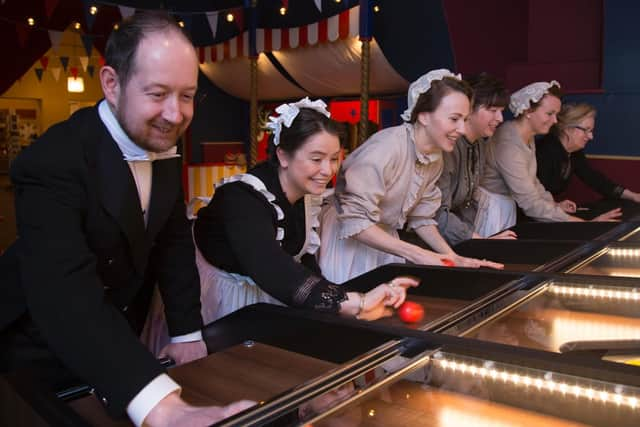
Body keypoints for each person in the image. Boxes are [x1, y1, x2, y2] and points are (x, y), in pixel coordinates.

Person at [0, 11, 253, 427]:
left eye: (187, 95)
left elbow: (172, 244)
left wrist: (186, 334)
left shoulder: (162, 143)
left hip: (119, 342)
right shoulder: (51, 162)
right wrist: (165, 408)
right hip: (36, 351)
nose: (175, 115)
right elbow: (66, 297)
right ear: (112, 84)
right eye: (157, 94)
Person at [160, 98, 416, 332]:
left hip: (267, 296)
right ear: (283, 155)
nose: (328, 170)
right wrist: (356, 302)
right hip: (222, 301)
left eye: (334, 159)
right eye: (316, 159)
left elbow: (303, 264)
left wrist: (349, 298)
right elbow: (272, 267)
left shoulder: (304, 197)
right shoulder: (241, 198)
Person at [318, 69, 503, 285]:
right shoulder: (387, 148)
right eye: (454, 119)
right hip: (349, 241)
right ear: (423, 115)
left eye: (464, 119)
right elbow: (355, 221)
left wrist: (451, 257)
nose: (462, 129)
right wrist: (417, 254)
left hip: (385, 239)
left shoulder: (435, 156)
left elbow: (421, 216)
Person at [477, 81, 620, 237]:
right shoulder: (509, 144)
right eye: (549, 114)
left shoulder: (525, 135)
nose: (555, 121)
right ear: (528, 110)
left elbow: (533, 182)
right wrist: (583, 225)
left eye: (556, 115)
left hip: (503, 208)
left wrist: (554, 205)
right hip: (490, 212)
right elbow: (530, 203)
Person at [435, 72, 517, 245]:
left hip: (456, 239)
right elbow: (437, 213)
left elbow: (468, 203)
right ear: (468, 109)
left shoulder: (479, 144)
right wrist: (476, 240)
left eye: (501, 111)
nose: (500, 118)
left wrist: (472, 242)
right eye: (493, 110)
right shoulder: (447, 146)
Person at [536, 102, 640, 203]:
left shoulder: (574, 152)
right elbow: (534, 200)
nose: (591, 137)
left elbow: (595, 179)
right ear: (568, 129)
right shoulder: (544, 152)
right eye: (586, 130)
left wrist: (633, 196)